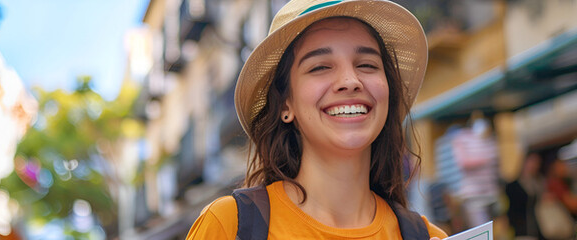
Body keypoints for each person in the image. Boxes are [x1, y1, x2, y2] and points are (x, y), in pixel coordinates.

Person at [185, 0, 447, 239]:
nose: (350, 81)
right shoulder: (228, 225)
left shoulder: (425, 235)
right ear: (285, 104)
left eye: (367, 64)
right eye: (320, 67)